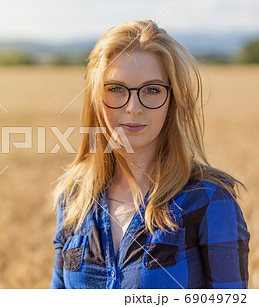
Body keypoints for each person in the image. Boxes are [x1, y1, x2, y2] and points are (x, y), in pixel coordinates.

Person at [50, 20, 250, 289]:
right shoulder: (74, 198)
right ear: (96, 98)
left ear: (172, 99)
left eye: (152, 90)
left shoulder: (209, 201)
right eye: (116, 89)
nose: (133, 107)